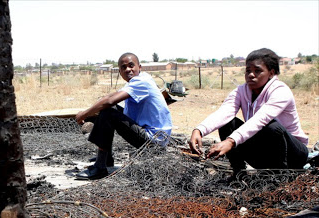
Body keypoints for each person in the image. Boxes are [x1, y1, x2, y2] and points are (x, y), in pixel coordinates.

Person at [189, 48, 309, 180]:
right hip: (265, 154)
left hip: (293, 155)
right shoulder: (241, 91)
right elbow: (224, 113)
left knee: (272, 127)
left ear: (271, 72)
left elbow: (261, 119)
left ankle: (281, 178)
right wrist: (199, 130)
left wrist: (231, 141)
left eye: (257, 71)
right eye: (248, 71)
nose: (251, 75)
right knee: (228, 123)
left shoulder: (280, 91)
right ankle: (239, 173)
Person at [75, 52, 172, 180]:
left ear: (139, 67)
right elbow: (109, 97)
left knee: (107, 112)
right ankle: (106, 158)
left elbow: (109, 101)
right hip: (150, 136)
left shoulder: (141, 81)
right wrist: (89, 111)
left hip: (153, 141)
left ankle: (100, 167)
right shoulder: (136, 81)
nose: (128, 69)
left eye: (131, 65)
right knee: (108, 109)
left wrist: (84, 114)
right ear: (120, 72)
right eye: (123, 67)